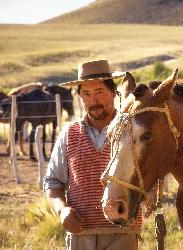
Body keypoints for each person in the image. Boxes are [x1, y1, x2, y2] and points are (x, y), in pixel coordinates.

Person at [43, 59, 142, 250]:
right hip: (80, 232)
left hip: (123, 232)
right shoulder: (69, 134)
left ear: (114, 92)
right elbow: (52, 182)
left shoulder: (131, 130)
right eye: (86, 94)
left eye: (99, 92)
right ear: (80, 96)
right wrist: (62, 210)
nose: (93, 101)